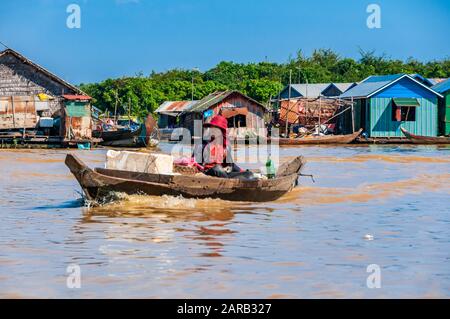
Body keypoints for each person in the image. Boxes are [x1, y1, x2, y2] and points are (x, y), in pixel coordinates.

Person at [198, 113, 251, 179]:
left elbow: (231, 165)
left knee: (248, 174)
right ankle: (227, 182)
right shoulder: (204, 143)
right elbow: (196, 163)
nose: (212, 130)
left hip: (223, 173)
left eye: (215, 128)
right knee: (218, 169)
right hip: (209, 172)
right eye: (211, 128)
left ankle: (228, 181)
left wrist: (241, 171)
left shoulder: (225, 146)